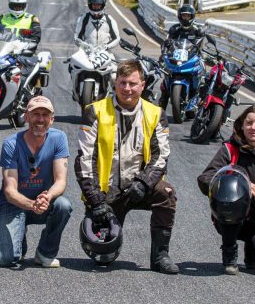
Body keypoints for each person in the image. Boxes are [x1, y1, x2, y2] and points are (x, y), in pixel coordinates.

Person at [76, 59, 178, 274]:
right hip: (107, 191)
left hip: (139, 187)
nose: (127, 89)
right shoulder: (94, 111)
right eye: (122, 83)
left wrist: (144, 183)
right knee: (103, 258)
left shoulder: (156, 113)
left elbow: (161, 155)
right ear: (115, 84)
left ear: (142, 85)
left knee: (166, 193)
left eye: (133, 83)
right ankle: (110, 232)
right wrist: (95, 200)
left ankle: (160, 255)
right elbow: (84, 159)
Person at [197, 104, 255, 276]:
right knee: (232, 200)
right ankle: (229, 252)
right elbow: (205, 178)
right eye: (249, 123)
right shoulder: (229, 149)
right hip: (230, 215)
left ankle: (252, 250)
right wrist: (237, 183)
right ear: (241, 125)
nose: (253, 128)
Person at [0, 96, 72, 268]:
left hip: (43, 202)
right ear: (26, 117)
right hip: (14, 204)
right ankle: (19, 237)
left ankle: (45, 253)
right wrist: (30, 205)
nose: (40, 119)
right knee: (6, 259)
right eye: (36, 114)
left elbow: (61, 181)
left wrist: (48, 196)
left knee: (63, 205)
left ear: (52, 119)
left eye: (45, 115)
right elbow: (10, 191)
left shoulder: (59, 139)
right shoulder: (11, 144)